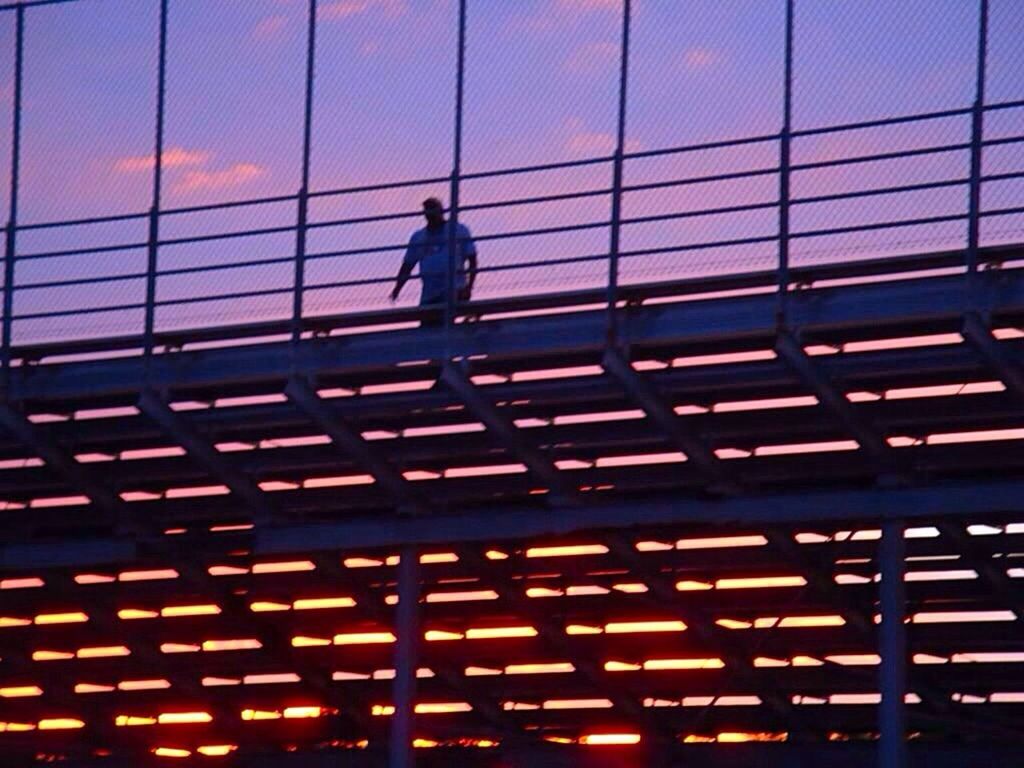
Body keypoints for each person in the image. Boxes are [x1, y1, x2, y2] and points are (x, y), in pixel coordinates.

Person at [390, 197, 478, 326]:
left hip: (453, 289)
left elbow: (472, 259)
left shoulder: (457, 230)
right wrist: (397, 288)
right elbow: (407, 266)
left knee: (444, 324)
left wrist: (469, 287)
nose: (430, 214)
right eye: (427, 210)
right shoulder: (418, 237)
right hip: (429, 294)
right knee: (428, 329)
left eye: (432, 209)